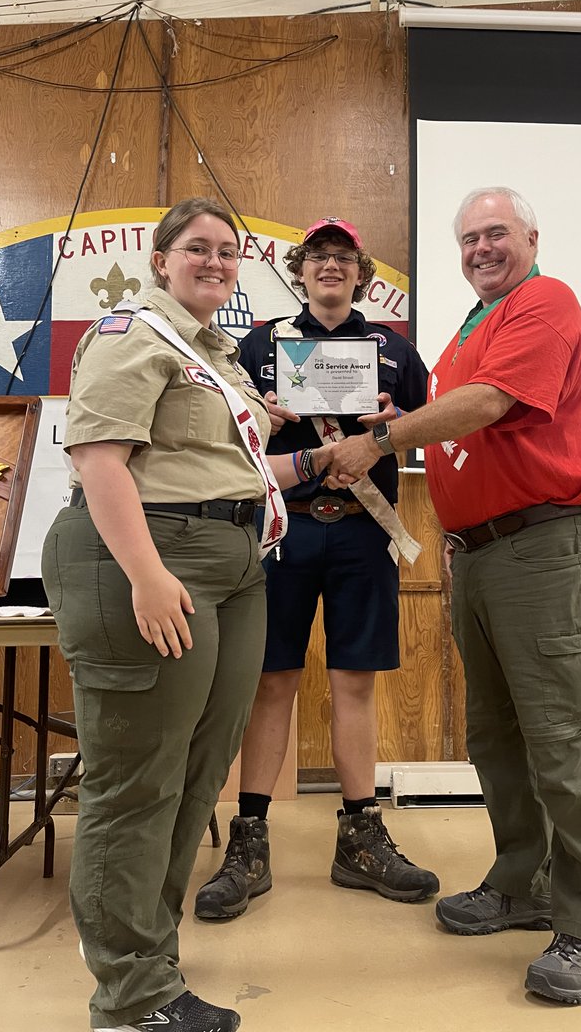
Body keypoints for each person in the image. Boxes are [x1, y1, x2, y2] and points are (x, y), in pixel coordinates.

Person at [324, 188, 581, 1006]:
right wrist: (409, 415)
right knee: (498, 739)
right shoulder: (469, 326)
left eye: (496, 233)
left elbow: (491, 405)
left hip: (546, 546)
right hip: (483, 556)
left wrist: (381, 436)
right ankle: (523, 883)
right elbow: (461, 420)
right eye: (468, 238)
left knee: (569, 738)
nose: (480, 248)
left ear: (532, 236)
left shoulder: (544, 301)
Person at [41, 197, 332, 1032]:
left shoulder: (216, 356)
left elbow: (228, 468)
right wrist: (145, 573)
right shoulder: (131, 331)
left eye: (229, 253)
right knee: (139, 779)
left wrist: (316, 457)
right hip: (148, 555)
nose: (215, 261)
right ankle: (129, 996)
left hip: (235, 563)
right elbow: (99, 457)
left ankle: (150, 951)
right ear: (162, 259)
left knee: (199, 772)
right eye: (198, 248)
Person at [193, 216, 439, 922]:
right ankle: (249, 843)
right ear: (300, 269)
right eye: (319, 257)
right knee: (271, 684)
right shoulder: (260, 344)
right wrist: (261, 418)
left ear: (361, 273)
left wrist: (394, 421)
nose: (331, 267)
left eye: (344, 258)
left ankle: (360, 837)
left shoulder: (394, 349)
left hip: (364, 533)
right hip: (286, 531)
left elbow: (422, 432)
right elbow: (222, 435)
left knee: (353, 684)